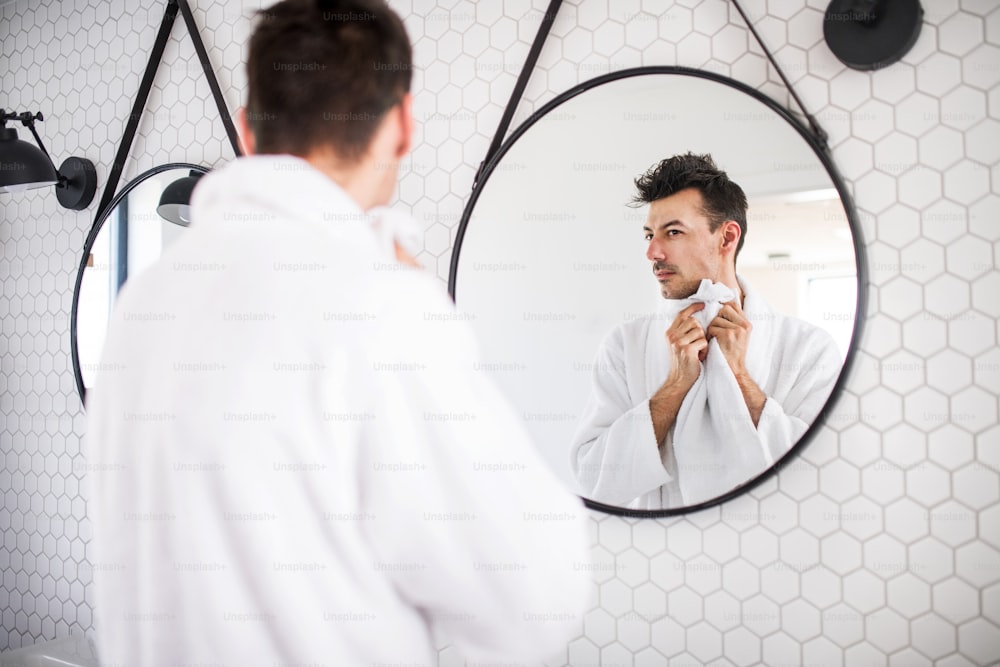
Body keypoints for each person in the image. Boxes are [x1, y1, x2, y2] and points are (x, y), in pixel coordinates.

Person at [86, 1, 591, 665]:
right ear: (404, 124)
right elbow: (535, 599)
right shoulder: (380, 306)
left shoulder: (138, 306)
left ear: (247, 130)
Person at [570, 153, 842, 510]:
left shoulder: (809, 349)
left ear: (727, 237)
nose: (652, 251)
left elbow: (825, 476)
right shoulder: (625, 346)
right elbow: (593, 480)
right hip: (663, 556)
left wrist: (740, 378)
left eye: (673, 232)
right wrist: (674, 387)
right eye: (650, 234)